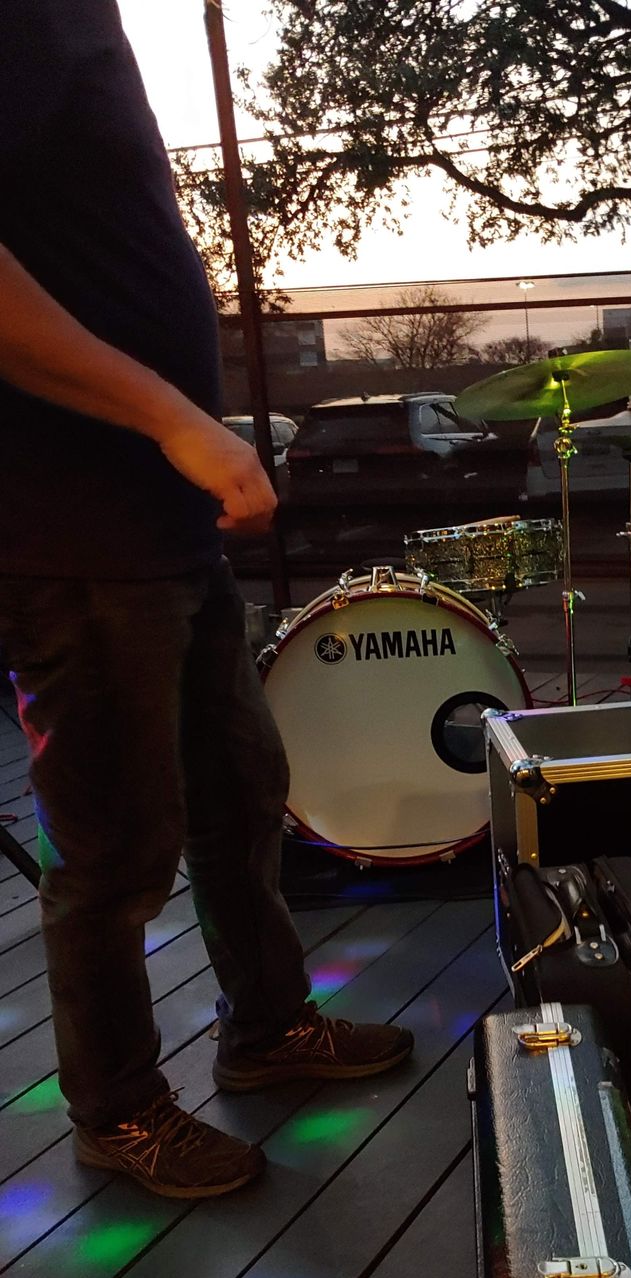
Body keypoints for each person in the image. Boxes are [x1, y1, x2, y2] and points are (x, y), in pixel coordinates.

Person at [0, 0, 412, 1200]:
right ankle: (119, 1109)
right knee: (112, 848)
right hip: (69, 532)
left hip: (160, 523)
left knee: (238, 792)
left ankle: (269, 1026)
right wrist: (175, 417)